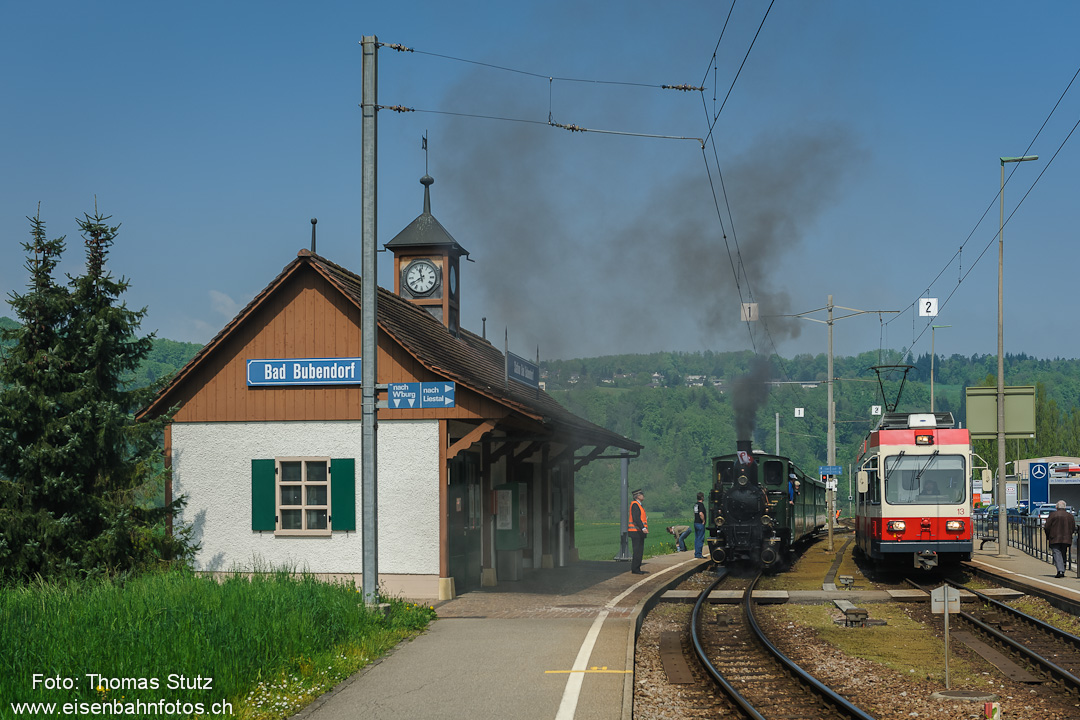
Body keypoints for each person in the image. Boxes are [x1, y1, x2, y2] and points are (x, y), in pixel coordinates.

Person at [1044, 500, 1077, 578]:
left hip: (1054, 537)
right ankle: (1063, 568)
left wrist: (1048, 536)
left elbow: (1047, 527)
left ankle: (1060, 570)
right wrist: (1069, 534)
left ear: (1056, 507)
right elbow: (1073, 527)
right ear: (1065, 507)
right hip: (1066, 538)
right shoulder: (1070, 516)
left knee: (1057, 553)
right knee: (1063, 553)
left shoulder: (1052, 515)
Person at [628, 489, 649, 574]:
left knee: (639, 551)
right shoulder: (635, 505)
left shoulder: (639, 505)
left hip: (638, 531)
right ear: (637, 496)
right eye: (641, 494)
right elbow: (636, 518)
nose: (643, 495)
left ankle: (637, 568)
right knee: (637, 551)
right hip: (636, 531)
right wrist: (643, 528)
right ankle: (635, 569)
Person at [693, 491, 707, 558]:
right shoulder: (701, 505)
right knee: (700, 539)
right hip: (700, 523)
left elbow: (694, 513)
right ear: (702, 497)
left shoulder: (696, 505)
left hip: (695, 522)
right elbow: (701, 513)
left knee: (696, 538)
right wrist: (703, 520)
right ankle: (699, 554)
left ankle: (696, 553)